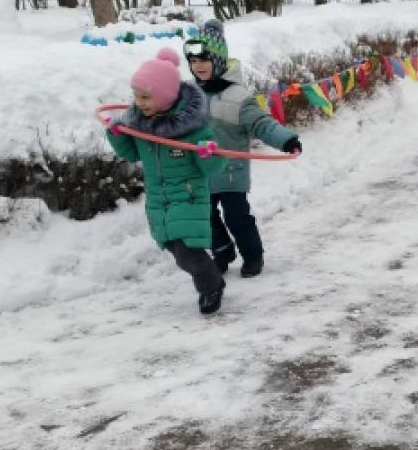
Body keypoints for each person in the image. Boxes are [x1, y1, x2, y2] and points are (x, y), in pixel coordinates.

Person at [106, 48, 228, 315]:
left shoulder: (194, 129)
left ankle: (211, 286)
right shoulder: (141, 125)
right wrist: (116, 134)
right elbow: (131, 153)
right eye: (137, 96)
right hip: (159, 199)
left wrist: (209, 152)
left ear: (164, 96)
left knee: (187, 251)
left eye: (146, 97)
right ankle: (210, 280)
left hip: (188, 195)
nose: (139, 103)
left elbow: (213, 166)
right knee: (175, 249)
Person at [183, 20, 301, 279]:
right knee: (205, 216)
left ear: (218, 60)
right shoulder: (189, 96)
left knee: (238, 218)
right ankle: (222, 252)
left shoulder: (239, 97)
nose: (198, 66)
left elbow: (262, 124)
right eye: (193, 62)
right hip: (201, 171)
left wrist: (286, 140)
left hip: (230, 172)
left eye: (204, 59)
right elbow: (173, 124)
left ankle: (253, 255)